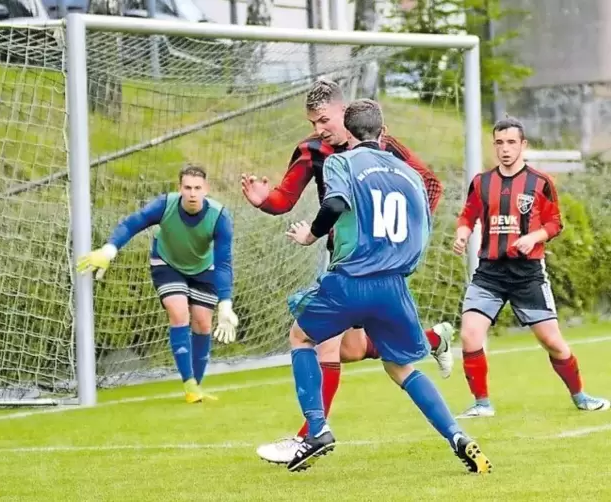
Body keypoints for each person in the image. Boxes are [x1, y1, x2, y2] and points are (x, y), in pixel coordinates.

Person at [242, 78, 454, 464]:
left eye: (323, 119)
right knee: (351, 349)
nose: (318, 129)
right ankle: (432, 340)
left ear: (345, 112)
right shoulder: (312, 151)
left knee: (315, 340)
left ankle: (311, 435)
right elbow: (284, 198)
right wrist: (264, 202)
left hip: (378, 263)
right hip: (342, 261)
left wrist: (398, 239)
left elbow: (430, 185)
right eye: (312, 123)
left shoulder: (384, 148)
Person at [282, 98, 491, 474]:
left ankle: (316, 430)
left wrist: (310, 236)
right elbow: (421, 229)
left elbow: (334, 204)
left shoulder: (340, 161)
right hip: (393, 286)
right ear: (383, 130)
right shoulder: (408, 173)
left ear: (348, 130)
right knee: (401, 367)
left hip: (350, 279)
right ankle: (458, 435)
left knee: (301, 337)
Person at [453, 117, 610, 418]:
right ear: (494, 145)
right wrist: (462, 233)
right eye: (499, 142)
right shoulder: (482, 183)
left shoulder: (540, 182)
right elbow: (467, 216)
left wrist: (533, 237)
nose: (505, 149)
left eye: (511, 142)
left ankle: (580, 396)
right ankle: (482, 404)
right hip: (490, 273)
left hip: (528, 275)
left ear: (523, 145)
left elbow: (555, 223)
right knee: (470, 335)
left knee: (551, 341)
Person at [77, 165, 239, 403]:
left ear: (206, 189)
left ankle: (198, 385)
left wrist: (225, 304)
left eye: (197, 188)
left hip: (204, 269)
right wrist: (110, 249)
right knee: (179, 313)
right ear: (179, 188)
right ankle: (189, 384)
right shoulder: (165, 205)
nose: (192, 193)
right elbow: (132, 223)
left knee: (203, 324)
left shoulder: (220, 217)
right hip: (167, 263)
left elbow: (223, 262)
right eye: (187, 188)